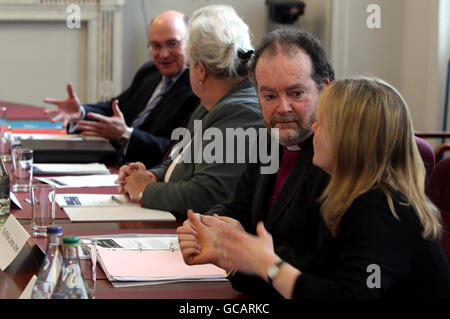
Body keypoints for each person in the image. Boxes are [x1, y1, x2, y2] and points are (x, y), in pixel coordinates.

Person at [181, 77, 450, 298]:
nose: (315, 127)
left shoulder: (383, 207)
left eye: (324, 122)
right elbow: (311, 277)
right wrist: (234, 259)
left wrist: (267, 265)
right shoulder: (347, 197)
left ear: (351, 140)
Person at [177, 28, 334, 297]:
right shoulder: (267, 141)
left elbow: (321, 265)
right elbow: (238, 206)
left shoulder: (337, 157)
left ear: (325, 90)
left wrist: (238, 249)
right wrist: (209, 226)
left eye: (296, 93)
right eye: (269, 96)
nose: (282, 108)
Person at [117, 5, 264, 217]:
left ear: (201, 70)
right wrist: (148, 176)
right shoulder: (211, 103)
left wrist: (145, 190)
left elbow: (207, 195)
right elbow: (177, 161)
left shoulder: (241, 112)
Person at [43, 10, 200, 168]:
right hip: (113, 162)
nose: (163, 54)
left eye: (172, 44)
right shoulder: (149, 71)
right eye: (156, 46)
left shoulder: (197, 89)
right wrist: (82, 112)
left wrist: (125, 135)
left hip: (148, 172)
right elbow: (115, 108)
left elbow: (177, 149)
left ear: (190, 43)